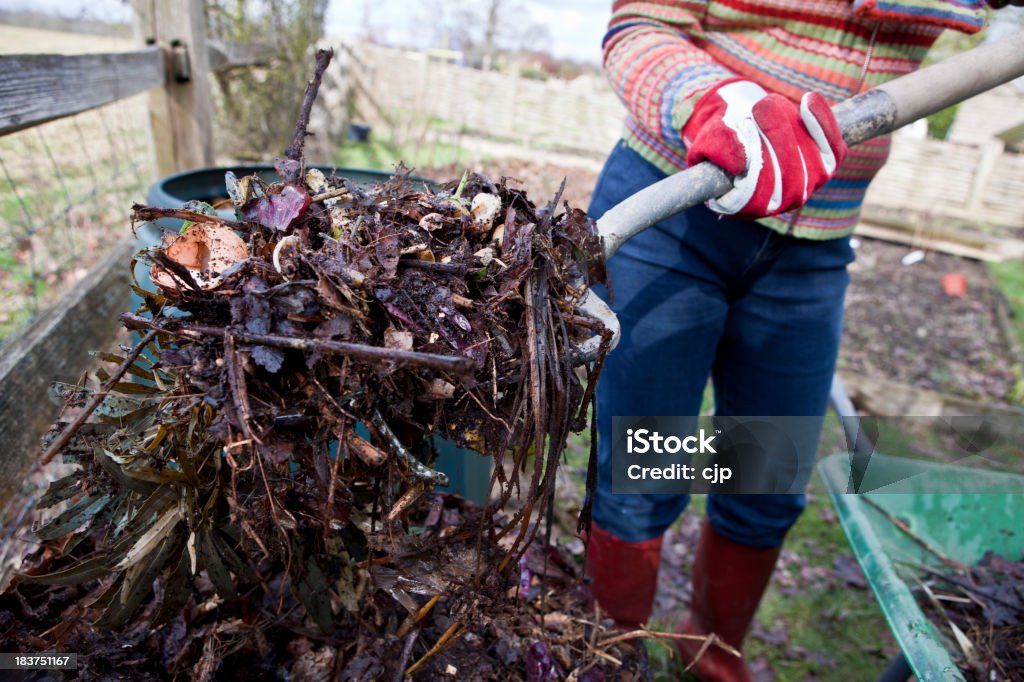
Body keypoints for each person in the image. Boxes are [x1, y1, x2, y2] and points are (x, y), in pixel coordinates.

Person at [584, 1, 1020, 679]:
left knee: (760, 476)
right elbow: (641, 23)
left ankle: (713, 652)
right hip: (676, 211)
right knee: (648, 463)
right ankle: (614, 653)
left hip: (814, 244)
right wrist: (710, 100)